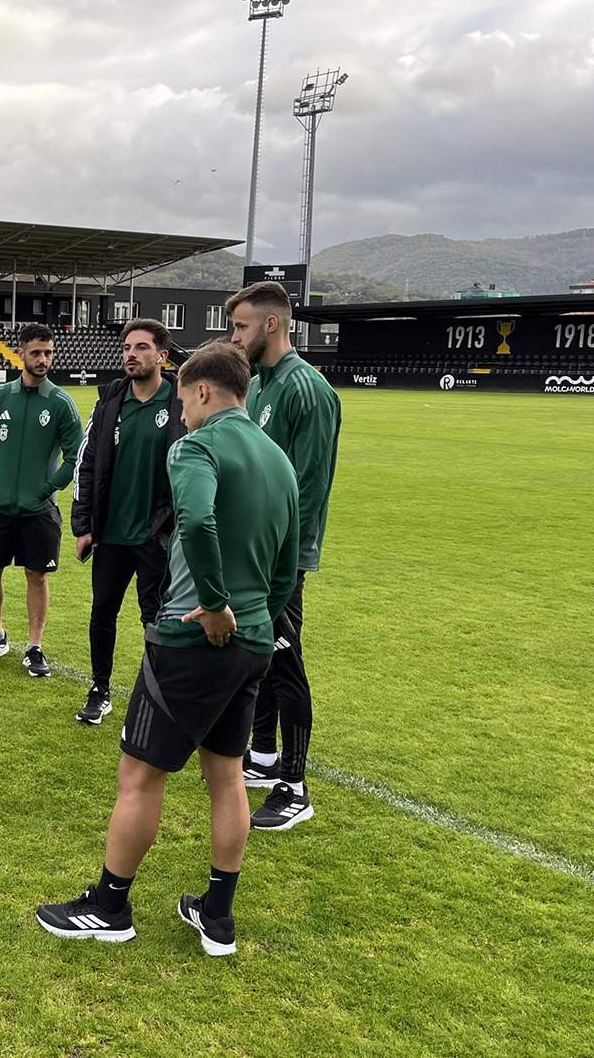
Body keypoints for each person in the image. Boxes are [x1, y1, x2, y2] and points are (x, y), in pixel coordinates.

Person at [36, 341, 299, 956]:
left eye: (183, 398)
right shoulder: (278, 460)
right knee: (226, 774)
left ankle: (110, 906)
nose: (180, 411)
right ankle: (218, 914)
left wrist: (214, 602)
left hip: (191, 637)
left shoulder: (195, 447)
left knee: (139, 773)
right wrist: (256, 618)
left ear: (203, 390)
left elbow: (199, 521)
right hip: (254, 641)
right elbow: (288, 562)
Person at [228, 281, 341, 831]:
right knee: (265, 654)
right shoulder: (260, 385)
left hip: (283, 555)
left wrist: (280, 555)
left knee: (285, 656)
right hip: (258, 547)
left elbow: (309, 485)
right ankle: (265, 755)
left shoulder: (307, 389)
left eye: (241, 327)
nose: (234, 337)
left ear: (271, 324)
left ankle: (295, 787)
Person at [69, 319, 185, 724]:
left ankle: (157, 697)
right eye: (127, 348)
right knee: (102, 612)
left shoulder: (181, 402)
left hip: (157, 535)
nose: (131, 355)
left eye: (141, 347)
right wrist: (84, 525)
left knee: (155, 619)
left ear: (162, 356)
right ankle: (99, 689)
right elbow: (86, 463)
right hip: (112, 535)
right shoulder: (110, 402)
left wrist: (174, 526)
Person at [0, 323, 83, 677]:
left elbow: (76, 456)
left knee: (37, 575)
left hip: (39, 509)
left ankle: (35, 646)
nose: (43, 359)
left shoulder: (61, 403)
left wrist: (48, 488)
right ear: (20, 353)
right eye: (36, 352)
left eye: (48, 353)